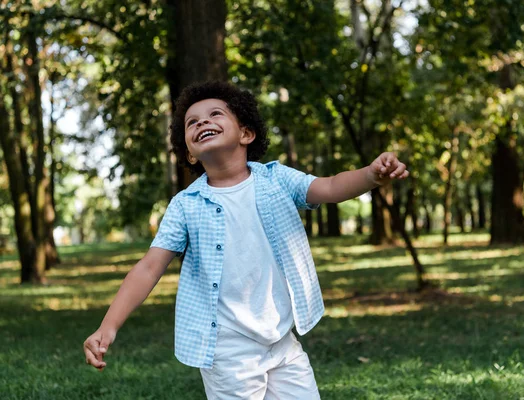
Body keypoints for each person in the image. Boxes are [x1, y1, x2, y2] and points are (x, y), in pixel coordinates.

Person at [83, 81, 409, 399]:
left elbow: (331, 187)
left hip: (281, 337)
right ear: (190, 154)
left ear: (246, 133)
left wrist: (371, 175)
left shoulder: (276, 178)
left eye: (215, 114)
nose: (203, 122)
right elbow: (149, 268)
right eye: (192, 122)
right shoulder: (186, 205)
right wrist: (108, 326)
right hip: (228, 346)